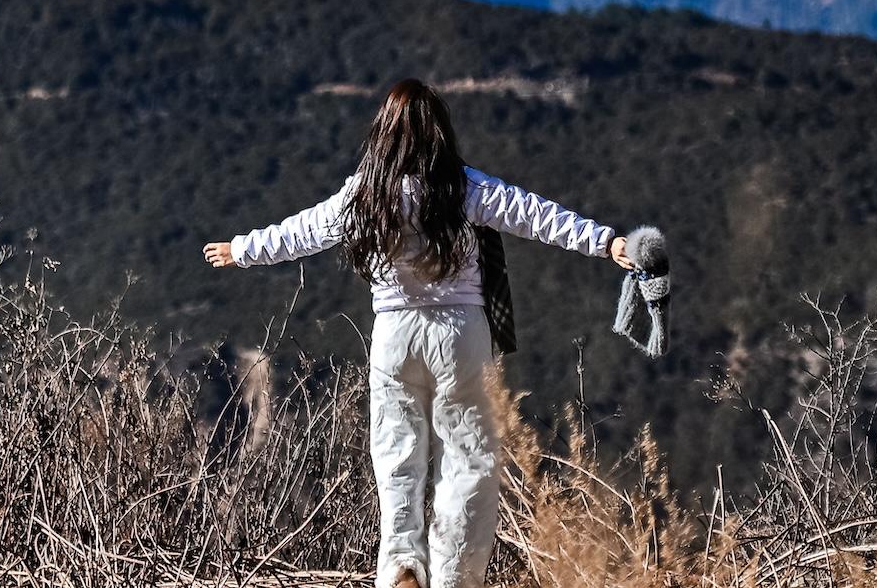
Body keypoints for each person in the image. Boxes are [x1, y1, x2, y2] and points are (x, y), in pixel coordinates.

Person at [204, 79, 632, 588]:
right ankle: (454, 578)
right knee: (467, 459)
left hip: (393, 336)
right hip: (461, 336)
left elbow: (304, 231)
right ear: (440, 132)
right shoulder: (464, 188)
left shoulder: (365, 193)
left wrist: (241, 249)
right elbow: (534, 214)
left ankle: (402, 567)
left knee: (397, 459)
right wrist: (606, 242)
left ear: (383, 132)